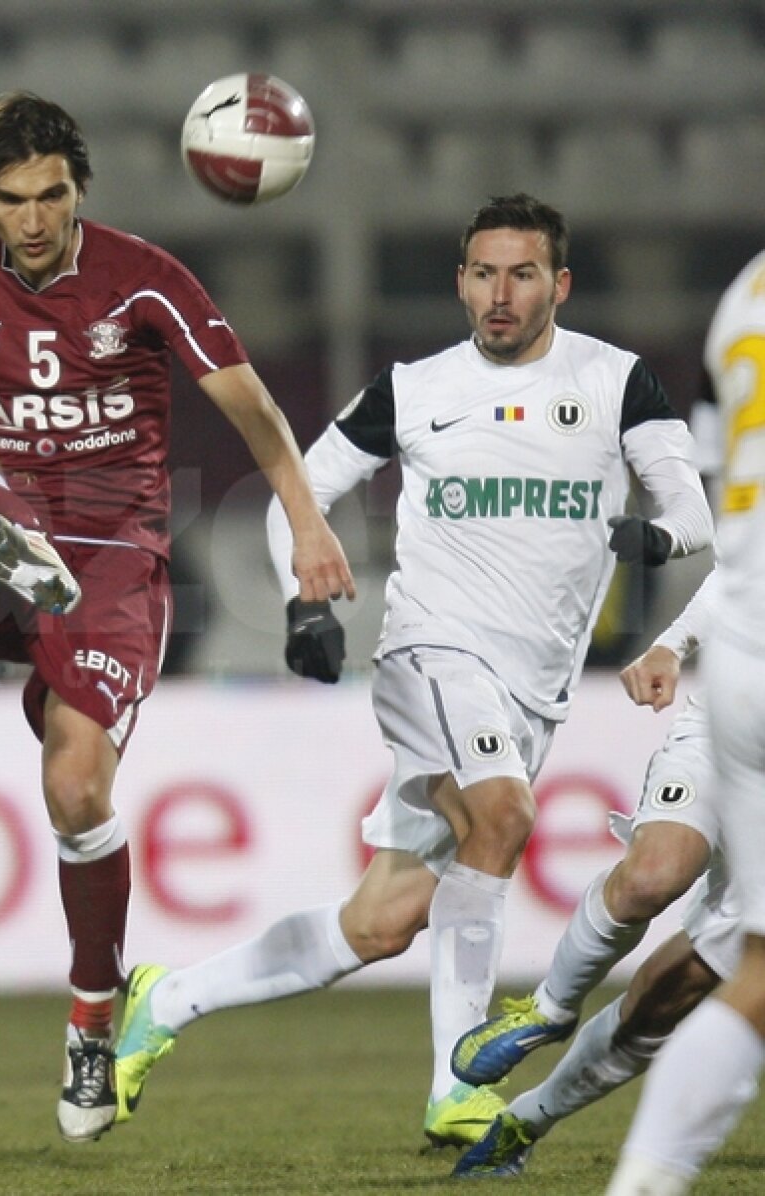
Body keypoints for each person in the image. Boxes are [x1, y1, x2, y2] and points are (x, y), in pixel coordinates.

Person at [0, 92, 354, 1145]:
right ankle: (2, 538)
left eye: (53, 195)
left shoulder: (146, 276)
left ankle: (94, 1011)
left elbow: (253, 408)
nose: (36, 217)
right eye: (14, 200)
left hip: (116, 560)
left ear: (77, 189)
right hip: (0, 530)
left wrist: (309, 524)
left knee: (75, 784)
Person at [111, 193, 714, 1148]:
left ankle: (165, 1000)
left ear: (559, 283)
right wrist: (302, 600)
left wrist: (651, 534)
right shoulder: (414, 388)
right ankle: (453, 1085)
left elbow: (696, 511)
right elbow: (297, 492)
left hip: (534, 692)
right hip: (431, 652)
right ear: (461, 281)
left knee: (383, 921)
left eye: (521, 274)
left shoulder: (618, 381)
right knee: (505, 816)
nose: (500, 295)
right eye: (482, 274)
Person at [451, 572, 736, 1179]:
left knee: (665, 997)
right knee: (651, 877)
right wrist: (674, 643)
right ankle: (549, 1009)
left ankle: (524, 1120)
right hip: (725, 733)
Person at [605, 251, 765, 1196]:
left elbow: (731, 515)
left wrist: (677, 640)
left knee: (754, 973)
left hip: (742, 657)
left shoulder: (742, 294)